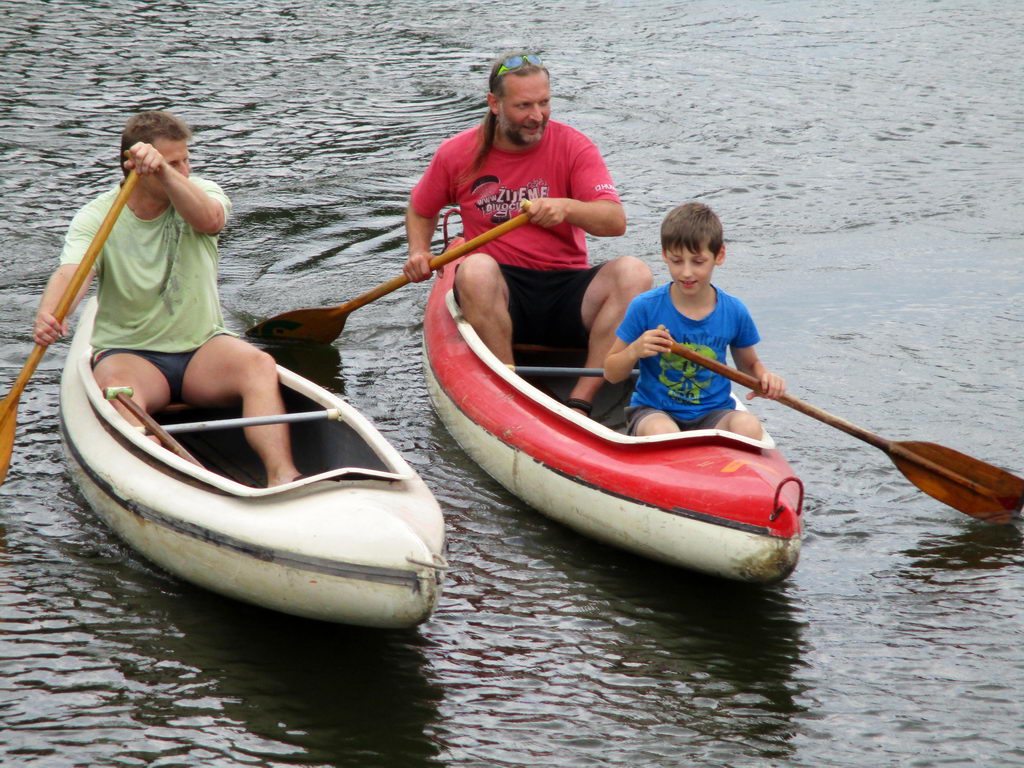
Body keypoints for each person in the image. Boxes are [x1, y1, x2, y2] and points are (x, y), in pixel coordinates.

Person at [34, 110, 300, 487]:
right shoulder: (96, 216)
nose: (184, 171)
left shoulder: (201, 192)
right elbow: (72, 274)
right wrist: (51, 313)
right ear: (134, 167)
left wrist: (164, 171)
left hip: (202, 349)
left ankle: (283, 476)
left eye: (185, 160)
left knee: (259, 364)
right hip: (132, 355)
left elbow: (210, 221)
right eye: (172, 163)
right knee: (120, 393)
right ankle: (172, 482)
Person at [402, 51, 651, 416]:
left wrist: (567, 208)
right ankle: (510, 388)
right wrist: (418, 251)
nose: (537, 116)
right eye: (524, 106)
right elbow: (421, 209)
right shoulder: (457, 153)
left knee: (635, 273)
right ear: (494, 104)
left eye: (544, 103)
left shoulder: (574, 146)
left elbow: (615, 221)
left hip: (567, 290)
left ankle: (581, 399)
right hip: (500, 293)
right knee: (474, 269)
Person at [603, 202, 785, 439]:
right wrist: (635, 350)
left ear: (719, 255)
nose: (686, 272)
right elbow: (611, 373)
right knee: (663, 432)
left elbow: (749, 365)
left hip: (714, 414)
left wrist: (766, 379)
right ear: (665, 255)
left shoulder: (734, 310)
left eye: (698, 262)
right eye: (677, 261)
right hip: (655, 412)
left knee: (749, 426)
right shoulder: (645, 307)